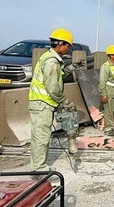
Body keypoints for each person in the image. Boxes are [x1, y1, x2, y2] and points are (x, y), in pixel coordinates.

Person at [28, 28, 78, 171]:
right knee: (41, 138)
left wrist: (71, 67)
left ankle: (38, 165)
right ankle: (39, 169)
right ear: (60, 44)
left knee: (40, 136)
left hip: (41, 103)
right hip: (42, 103)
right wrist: (64, 100)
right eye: (67, 45)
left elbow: (58, 75)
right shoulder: (51, 62)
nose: (68, 48)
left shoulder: (49, 58)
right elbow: (52, 87)